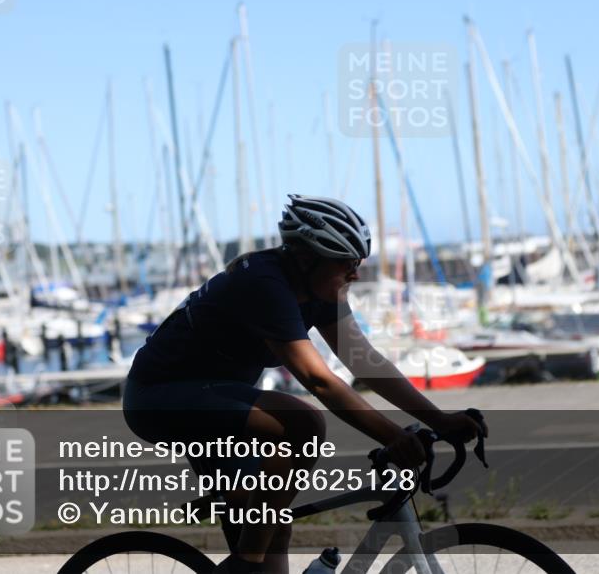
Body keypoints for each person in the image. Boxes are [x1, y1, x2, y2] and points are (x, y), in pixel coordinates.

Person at [123, 194, 487, 573]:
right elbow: (319, 380)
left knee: (272, 526)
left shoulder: (317, 291)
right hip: (159, 398)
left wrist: (440, 420)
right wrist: (392, 437)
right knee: (303, 423)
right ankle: (244, 565)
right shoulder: (264, 283)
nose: (355, 274)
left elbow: (365, 362)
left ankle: (248, 560)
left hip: (218, 411)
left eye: (358, 263)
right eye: (346, 263)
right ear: (307, 258)